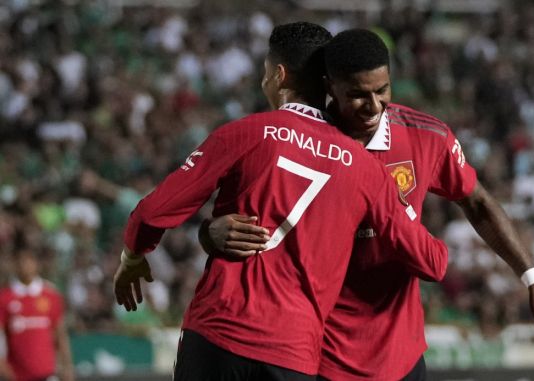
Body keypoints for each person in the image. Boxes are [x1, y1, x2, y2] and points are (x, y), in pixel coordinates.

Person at [200, 28, 534, 380]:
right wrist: (208, 235)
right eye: (358, 94)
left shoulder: (426, 137)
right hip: (319, 357)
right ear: (330, 87)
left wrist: (533, 279)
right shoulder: (295, 142)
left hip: (399, 359)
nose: (374, 106)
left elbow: (477, 202)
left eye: (382, 90)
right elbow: (257, 224)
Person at [112, 22, 450, 380]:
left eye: (264, 73)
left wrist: (133, 257)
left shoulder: (245, 133)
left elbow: (151, 212)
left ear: (278, 74)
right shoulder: (367, 170)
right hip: (292, 354)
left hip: (218, 332)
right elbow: (433, 264)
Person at [0, 249, 75, 381]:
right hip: (17, 374)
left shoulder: (51, 296)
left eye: (29, 261)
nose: (24, 265)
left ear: (36, 264)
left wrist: (67, 366)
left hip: (47, 372)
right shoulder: (5, 297)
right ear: (14, 264)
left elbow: (60, 334)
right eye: (20, 261)